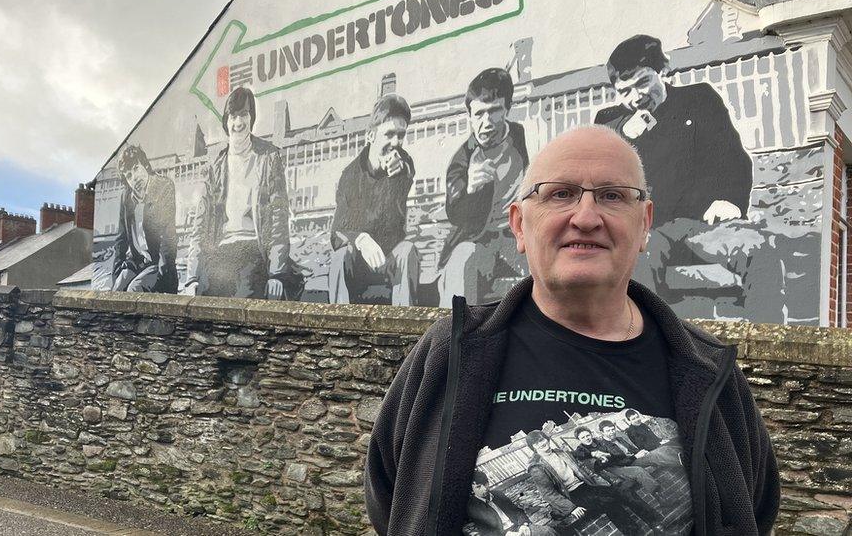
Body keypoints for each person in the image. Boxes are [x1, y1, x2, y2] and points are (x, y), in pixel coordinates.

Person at [364, 126, 779, 535]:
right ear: (520, 225)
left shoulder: (707, 371)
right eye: (560, 193)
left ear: (645, 224)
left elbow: (750, 509)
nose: (585, 217)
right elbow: (394, 499)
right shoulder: (450, 352)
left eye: (612, 196)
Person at [593, 34, 754, 299]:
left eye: (643, 81)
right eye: (625, 91)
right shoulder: (610, 120)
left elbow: (733, 159)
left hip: (704, 224)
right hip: (649, 233)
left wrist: (729, 200)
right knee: (641, 262)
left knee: (761, 250)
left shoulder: (698, 99)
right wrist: (624, 132)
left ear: (662, 71)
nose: (637, 96)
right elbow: (595, 166)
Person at [182, 87, 302, 300]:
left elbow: (278, 219)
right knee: (202, 294)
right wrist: (191, 278)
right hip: (222, 250)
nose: (238, 122)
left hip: (254, 248)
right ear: (226, 121)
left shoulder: (268, 157)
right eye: (233, 116)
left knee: (242, 293)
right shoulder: (216, 168)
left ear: (251, 118)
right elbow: (200, 226)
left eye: (244, 115)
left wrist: (276, 273)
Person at [439, 68, 530, 306]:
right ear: (469, 116)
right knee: (462, 259)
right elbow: (454, 211)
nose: (486, 122)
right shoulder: (463, 158)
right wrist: (469, 188)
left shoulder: (520, 137)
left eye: (494, 111)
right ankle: (452, 339)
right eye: (478, 114)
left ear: (507, 109)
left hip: (517, 239)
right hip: (479, 242)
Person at [329, 93, 419, 306]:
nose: (396, 143)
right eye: (388, 134)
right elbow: (336, 232)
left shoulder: (404, 163)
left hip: (390, 259)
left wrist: (398, 174)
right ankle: (340, 331)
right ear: (370, 135)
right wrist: (361, 239)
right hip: (360, 263)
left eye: (401, 135)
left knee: (408, 252)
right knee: (339, 258)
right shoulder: (350, 176)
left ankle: (405, 331)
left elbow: (406, 175)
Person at [525, 431, 663, 534]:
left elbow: (579, 458)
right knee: (609, 502)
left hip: (587, 486)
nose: (543, 444)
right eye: (537, 443)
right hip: (572, 496)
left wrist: (593, 455)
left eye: (543, 440)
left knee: (623, 491)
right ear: (533, 447)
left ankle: (656, 525)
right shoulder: (536, 466)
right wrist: (571, 508)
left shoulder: (560, 452)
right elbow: (548, 494)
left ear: (547, 439)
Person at [111, 144, 178, 293]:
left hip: (157, 263)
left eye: (136, 168)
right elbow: (121, 239)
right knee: (115, 291)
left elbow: (169, 236)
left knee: (134, 290)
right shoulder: (126, 197)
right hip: (136, 263)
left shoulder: (163, 187)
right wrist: (116, 274)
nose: (134, 178)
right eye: (128, 175)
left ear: (145, 165)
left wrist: (163, 273)